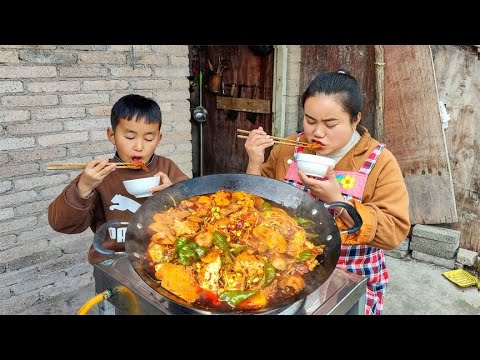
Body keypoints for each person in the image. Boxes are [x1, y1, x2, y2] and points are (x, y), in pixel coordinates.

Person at [243, 70, 411, 315]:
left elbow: (393, 233)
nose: (317, 133)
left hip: (350, 276)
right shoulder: (288, 149)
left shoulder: (380, 162)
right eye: (310, 121)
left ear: (356, 120)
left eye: (330, 124)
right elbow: (253, 206)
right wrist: (254, 162)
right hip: (288, 273)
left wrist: (338, 201)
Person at [48, 94, 189, 265]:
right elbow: (61, 224)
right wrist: (83, 187)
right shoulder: (99, 175)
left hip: (163, 261)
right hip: (114, 262)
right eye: (129, 137)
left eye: (149, 138)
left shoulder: (167, 169)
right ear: (112, 135)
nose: (139, 146)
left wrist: (174, 195)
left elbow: (197, 213)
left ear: (158, 138)